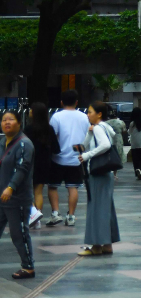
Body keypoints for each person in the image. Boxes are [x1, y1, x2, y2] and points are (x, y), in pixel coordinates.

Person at [76, 102, 120, 256]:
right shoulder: (102, 128)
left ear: (99, 114)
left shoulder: (99, 128)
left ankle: (96, 246)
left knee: (96, 209)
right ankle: (107, 245)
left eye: (90, 112)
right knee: (105, 208)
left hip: (98, 174)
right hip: (105, 174)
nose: (88, 115)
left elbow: (105, 145)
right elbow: (85, 144)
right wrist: (89, 133)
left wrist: (87, 155)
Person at [46, 90, 89, 228]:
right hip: (77, 158)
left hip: (57, 158)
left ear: (61, 102)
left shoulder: (56, 117)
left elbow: (52, 136)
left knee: (53, 186)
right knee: (73, 187)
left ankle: (55, 213)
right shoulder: (84, 117)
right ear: (77, 102)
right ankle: (71, 216)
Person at [0, 110, 35, 278]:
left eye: (11, 119)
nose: (7, 122)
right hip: (1, 197)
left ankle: (28, 266)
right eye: (4, 120)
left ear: (19, 123)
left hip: (17, 198)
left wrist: (11, 187)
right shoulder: (2, 143)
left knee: (18, 233)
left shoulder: (24, 144)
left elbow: (23, 168)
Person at [24, 103, 57, 229]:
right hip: (45, 163)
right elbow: (55, 148)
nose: (29, 112)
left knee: (27, 191)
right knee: (39, 192)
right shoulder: (49, 129)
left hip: (30, 162)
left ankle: (32, 215)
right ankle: (37, 220)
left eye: (31, 110)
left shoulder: (28, 129)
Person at [104, 109, 126, 180]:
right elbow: (124, 131)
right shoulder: (120, 122)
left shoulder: (106, 123)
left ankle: (109, 171)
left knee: (109, 155)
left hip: (108, 139)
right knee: (117, 156)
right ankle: (115, 174)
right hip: (118, 139)